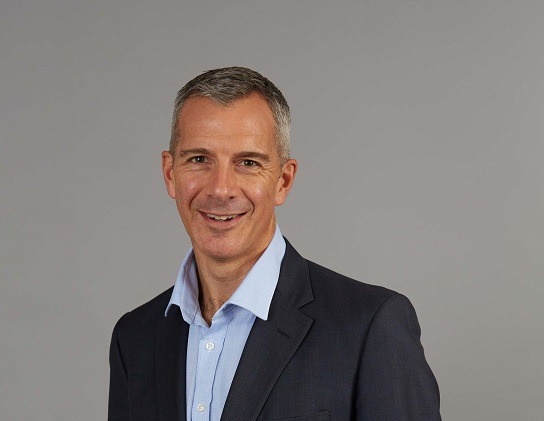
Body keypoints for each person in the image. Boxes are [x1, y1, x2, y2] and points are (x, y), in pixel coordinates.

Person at [108, 66, 441, 420]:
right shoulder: (134, 338)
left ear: (283, 181)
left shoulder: (370, 326)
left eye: (248, 162)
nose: (221, 189)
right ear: (170, 174)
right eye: (199, 159)